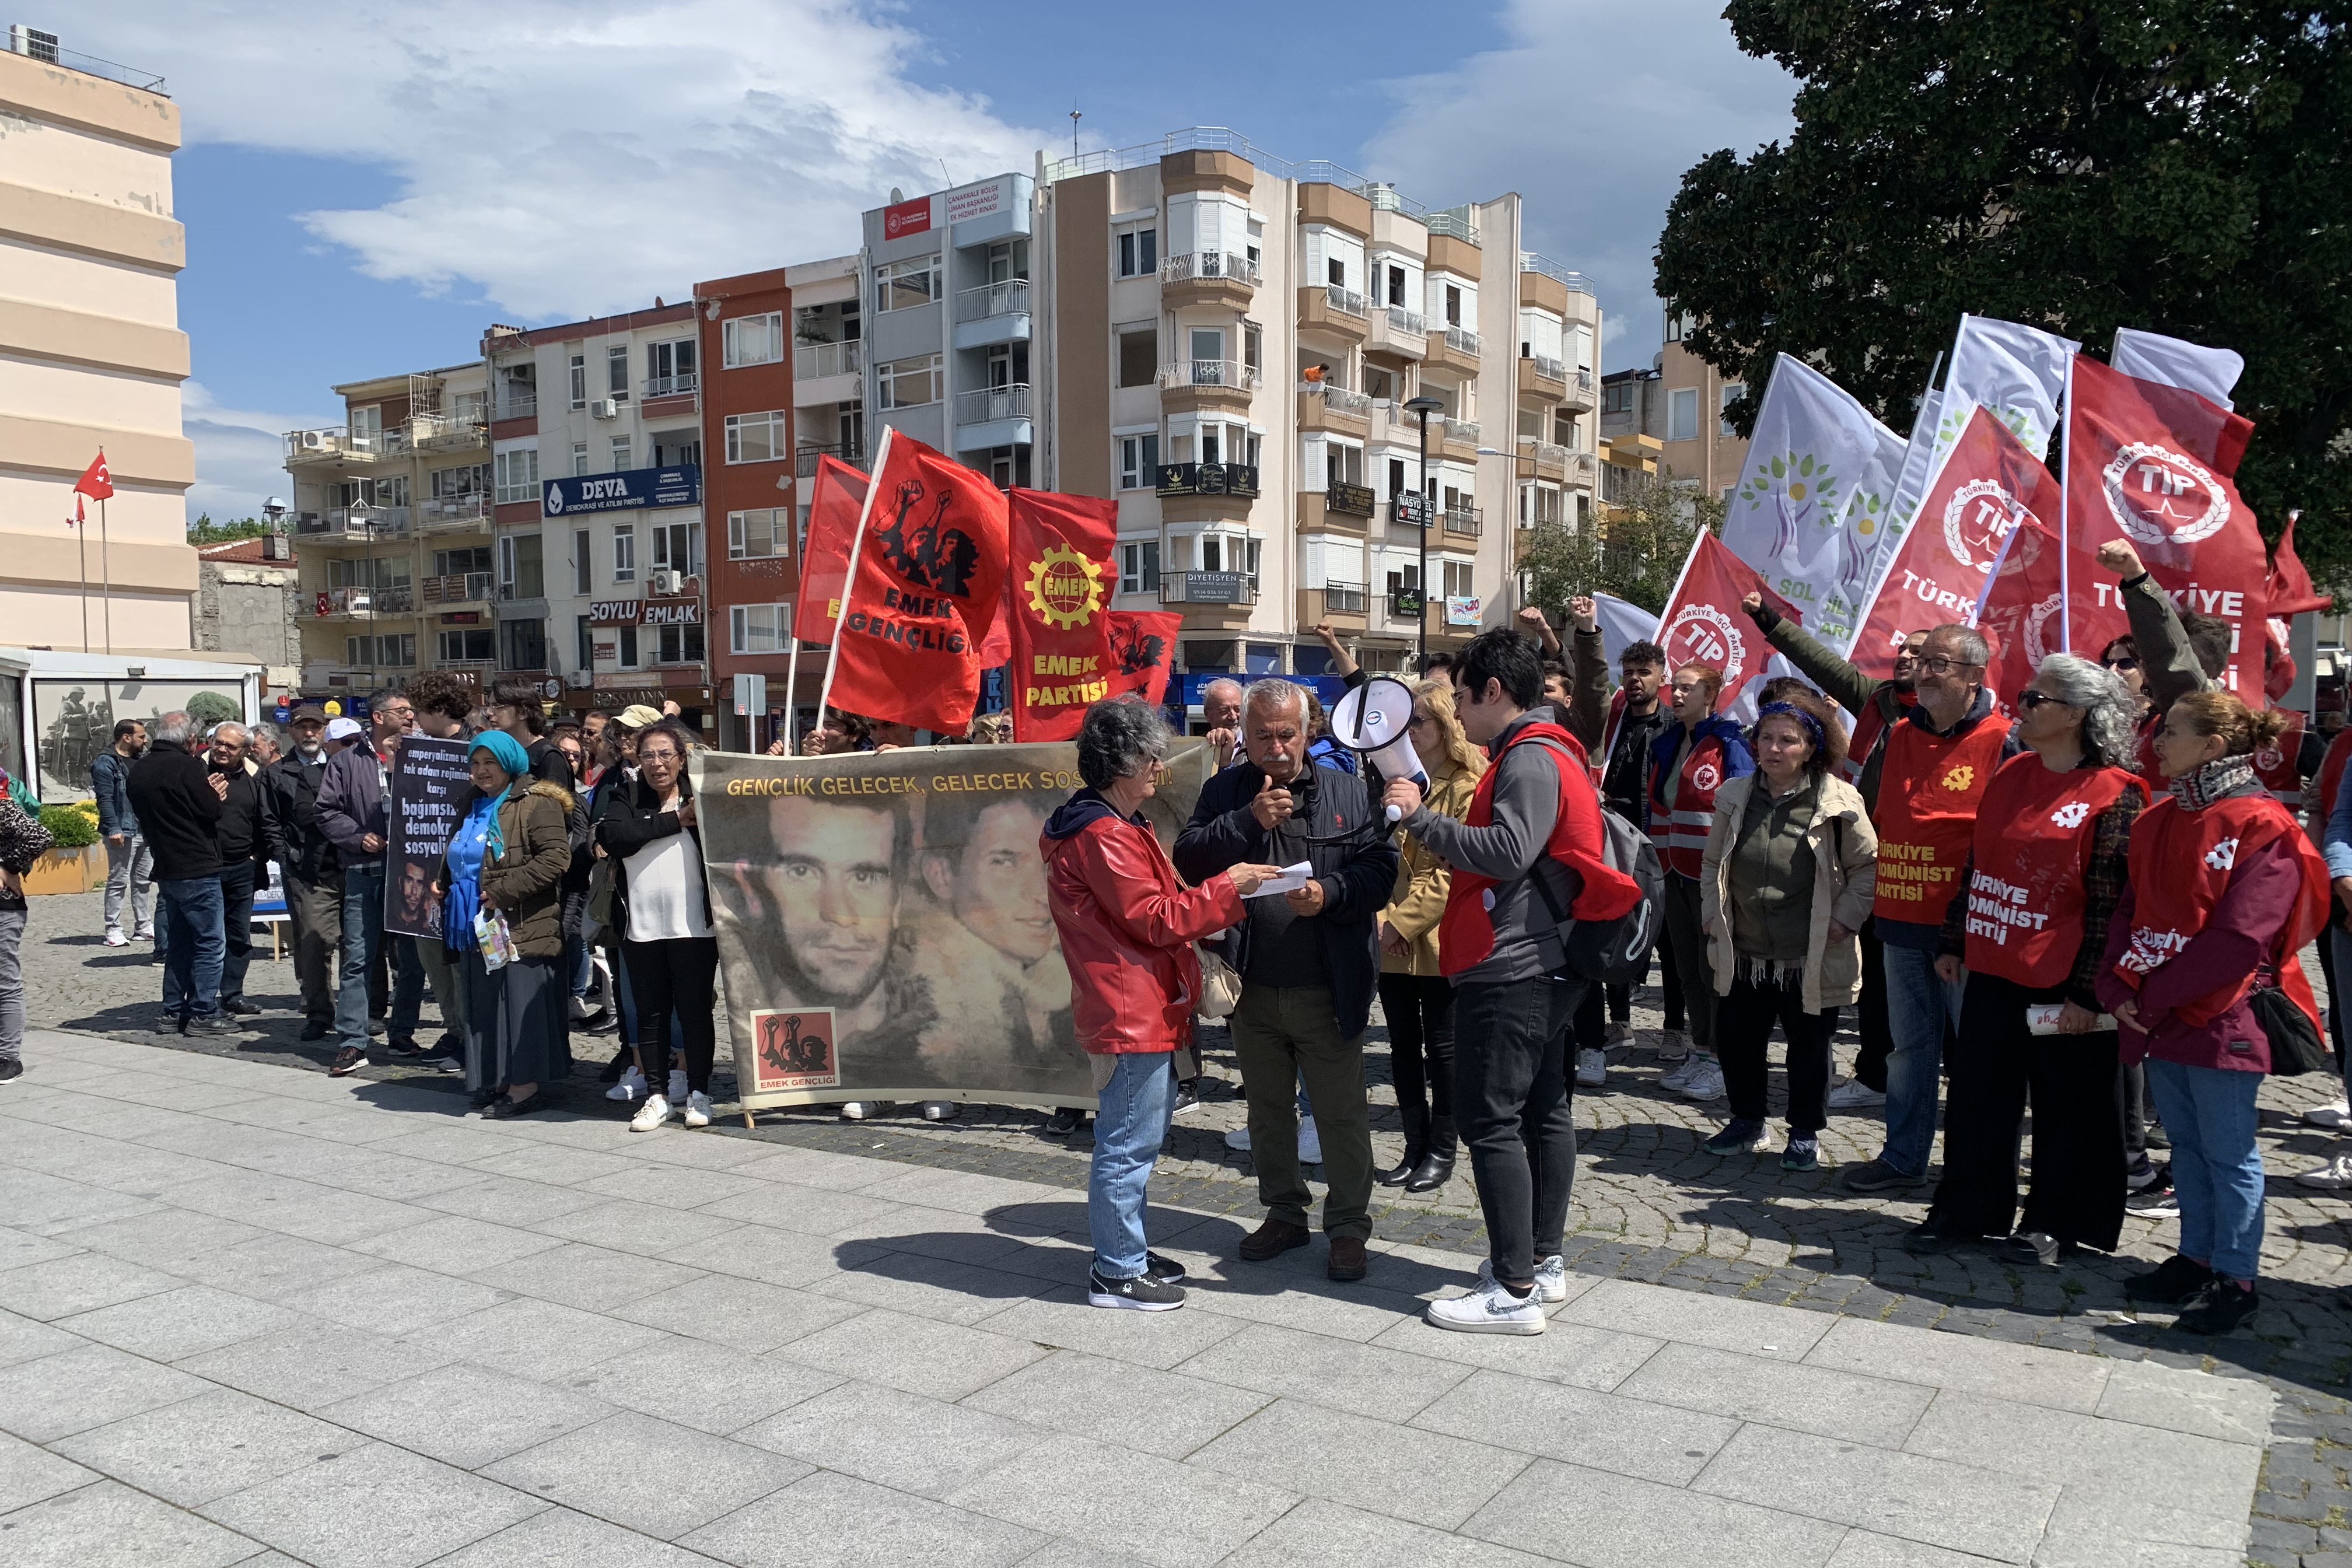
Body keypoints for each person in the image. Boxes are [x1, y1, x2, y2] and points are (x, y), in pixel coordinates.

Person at [1383, 627, 1639, 1334]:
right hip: (1548, 958)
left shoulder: (1528, 758)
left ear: (1494, 691)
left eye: (1463, 697)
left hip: (1516, 961)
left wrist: (1421, 819)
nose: (1458, 712)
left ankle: (1514, 1287)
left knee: (1490, 1119)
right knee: (1542, 1111)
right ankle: (1542, 1263)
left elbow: (1506, 852)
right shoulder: (1552, 749)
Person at [2101, 692, 2330, 1333]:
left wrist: (2147, 996)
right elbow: (2128, 910)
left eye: (2171, 731)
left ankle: (2237, 1277)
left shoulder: (2264, 826)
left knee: (2229, 1154)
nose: (2156, 742)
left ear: (2213, 745)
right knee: (2189, 1150)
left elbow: (2242, 937)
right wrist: (2118, 989)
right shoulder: (2158, 819)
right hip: (2162, 1011)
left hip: (2224, 1014)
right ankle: (2196, 1259)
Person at [1043, 697, 1280, 1310]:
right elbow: (1156, 919)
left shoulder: (1112, 823)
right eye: (1151, 757)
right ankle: (1117, 1271)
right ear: (1123, 763)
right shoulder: (1105, 833)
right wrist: (1232, 886)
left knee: (1134, 1140)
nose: (1159, 768)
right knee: (1128, 1144)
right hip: (1130, 1008)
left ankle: (1128, 1251)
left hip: (1137, 1001)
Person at [1909, 654, 2147, 1261]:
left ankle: (2056, 1223)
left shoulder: (2116, 795)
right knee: (1977, 1097)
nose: (2021, 706)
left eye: (2035, 699)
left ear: (2075, 715)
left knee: (2069, 1106)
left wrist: (2090, 993)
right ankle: (1966, 1210)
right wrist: (1955, 938)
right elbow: (1979, 861)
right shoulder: (2013, 774)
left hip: (2065, 979)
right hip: (1994, 964)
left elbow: (2111, 903)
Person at [1174, 679, 1398, 1282]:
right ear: (1245, 733)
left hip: (1329, 985)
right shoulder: (1226, 791)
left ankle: (1349, 1226)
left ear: (1309, 731)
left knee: (1340, 1114)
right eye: (1263, 735)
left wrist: (1332, 892)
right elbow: (1189, 859)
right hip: (1253, 986)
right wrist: (1245, 821)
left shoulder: (1349, 791)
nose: (1276, 747)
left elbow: (1382, 872)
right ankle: (1284, 1213)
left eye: (1287, 734)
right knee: (1268, 1112)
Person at [1815, 621, 2014, 1194]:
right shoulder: (1899, 734)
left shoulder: (2004, 742)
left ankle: (1972, 1172)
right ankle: (1904, 1156)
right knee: (1907, 1052)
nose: (1924, 672)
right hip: (1900, 920)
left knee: (1974, 1058)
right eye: (1922, 660)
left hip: (1965, 930)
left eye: (1939, 664)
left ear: (1975, 676)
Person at [1698, 691, 1876, 1170]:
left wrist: (1845, 919)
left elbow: (1867, 867)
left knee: (1810, 1051)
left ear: (1811, 749)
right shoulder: (1735, 795)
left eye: (1788, 741)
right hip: (1745, 950)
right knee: (1738, 1042)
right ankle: (1746, 1121)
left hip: (1809, 953)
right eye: (1766, 739)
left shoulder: (1839, 799)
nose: (1774, 749)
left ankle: (1804, 1132)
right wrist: (1712, 913)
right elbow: (1713, 861)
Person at [1563, 597, 1679, 1078]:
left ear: (1661, 677)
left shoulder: (1674, 728)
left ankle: (1676, 1029)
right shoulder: (1609, 724)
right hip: (1613, 845)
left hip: (1660, 849)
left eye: (1644, 671)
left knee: (1669, 945)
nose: (1635, 679)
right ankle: (1621, 1022)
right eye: (1629, 671)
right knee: (1611, 932)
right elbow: (1589, 689)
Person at [1377, 679, 1483, 1192]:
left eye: (1418, 722)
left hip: (1440, 939)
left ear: (1444, 726)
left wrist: (1400, 922)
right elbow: (1376, 857)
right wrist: (1381, 919)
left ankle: (1443, 1149)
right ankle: (1413, 1145)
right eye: (1406, 722)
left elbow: (1450, 869)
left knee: (1444, 1050)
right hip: (1390, 938)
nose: (1409, 731)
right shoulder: (1395, 779)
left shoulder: (1465, 785)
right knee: (1401, 1047)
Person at [436, 730, 575, 1118]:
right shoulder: (473, 802)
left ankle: (525, 1085)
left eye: (489, 763)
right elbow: (459, 849)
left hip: (521, 923)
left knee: (517, 1002)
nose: (481, 771)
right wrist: (443, 881)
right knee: (486, 1003)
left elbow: (555, 859)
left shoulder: (536, 803)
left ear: (510, 763)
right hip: (474, 922)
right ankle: (498, 1076)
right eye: (475, 764)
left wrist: (505, 891)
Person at [596, 722, 720, 1132]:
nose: (657, 764)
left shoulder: (700, 795)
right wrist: (673, 821)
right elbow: (615, 836)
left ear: (681, 758)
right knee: (650, 1015)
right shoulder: (627, 795)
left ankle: (699, 1093)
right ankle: (656, 1096)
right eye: (648, 755)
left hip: (695, 929)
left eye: (665, 754)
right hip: (642, 929)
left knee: (695, 1013)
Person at [1646, 661, 1754, 1104]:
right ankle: (1702, 1049)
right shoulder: (1668, 742)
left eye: (1688, 688)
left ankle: (1721, 1060)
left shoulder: (1729, 744)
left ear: (1711, 695)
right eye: (1676, 687)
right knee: (1686, 968)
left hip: (1710, 874)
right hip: (1670, 870)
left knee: (1714, 969)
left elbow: (1743, 807)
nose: (1677, 694)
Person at [127, 712, 229, 1035]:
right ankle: (204, 1012)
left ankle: (173, 1012)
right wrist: (216, 794)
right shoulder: (188, 766)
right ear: (188, 740)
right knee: (211, 942)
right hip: (196, 865)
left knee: (180, 944)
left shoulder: (139, 770)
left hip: (167, 866)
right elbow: (210, 811)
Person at [316, 712, 394, 1076]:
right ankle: (352, 1040)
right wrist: (357, 836)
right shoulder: (346, 761)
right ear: (380, 717)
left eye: (413, 712)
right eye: (402, 710)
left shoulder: (423, 756)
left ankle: (404, 1031)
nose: (410, 716)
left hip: (414, 874)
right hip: (365, 869)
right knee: (358, 956)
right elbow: (327, 810)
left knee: (412, 961)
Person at [260, 706, 341, 1038]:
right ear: (291, 732)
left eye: (315, 727)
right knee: (312, 943)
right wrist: (285, 856)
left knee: (359, 945)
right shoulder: (277, 772)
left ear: (324, 731)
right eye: (302, 727)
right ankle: (319, 1012)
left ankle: (360, 1012)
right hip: (306, 870)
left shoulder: (340, 765)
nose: (309, 733)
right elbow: (269, 820)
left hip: (347, 864)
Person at [205, 723, 270, 1017]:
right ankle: (200, 998)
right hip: (205, 868)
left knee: (239, 935)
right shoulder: (195, 773)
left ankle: (232, 994)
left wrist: (259, 856)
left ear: (245, 751)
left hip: (243, 866)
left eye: (230, 747)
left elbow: (264, 821)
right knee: (205, 936)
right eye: (219, 743)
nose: (221, 749)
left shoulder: (255, 778)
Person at [0, 785, 48, 1082]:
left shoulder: (2, 806)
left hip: (4, 907)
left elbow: (39, 836)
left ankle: (8, 1056)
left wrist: (7, 867)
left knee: (5, 982)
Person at [92, 718, 152, 947]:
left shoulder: (141, 760)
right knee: (118, 880)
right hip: (122, 829)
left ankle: (143, 925)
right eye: (141, 736)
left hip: (143, 828)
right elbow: (105, 799)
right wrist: (113, 828)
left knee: (143, 880)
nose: (145, 740)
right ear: (127, 737)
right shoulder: (106, 763)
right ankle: (113, 929)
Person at [488, 676, 574, 789]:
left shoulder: (549, 757)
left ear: (523, 712)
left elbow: (554, 804)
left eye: (498, 706)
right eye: (488, 706)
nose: (489, 712)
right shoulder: (498, 752)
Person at [1200, 678, 1244, 770]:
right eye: (1224, 711)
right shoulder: (1199, 751)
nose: (1233, 717)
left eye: (1237, 710)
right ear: (1207, 714)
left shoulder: (1255, 748)